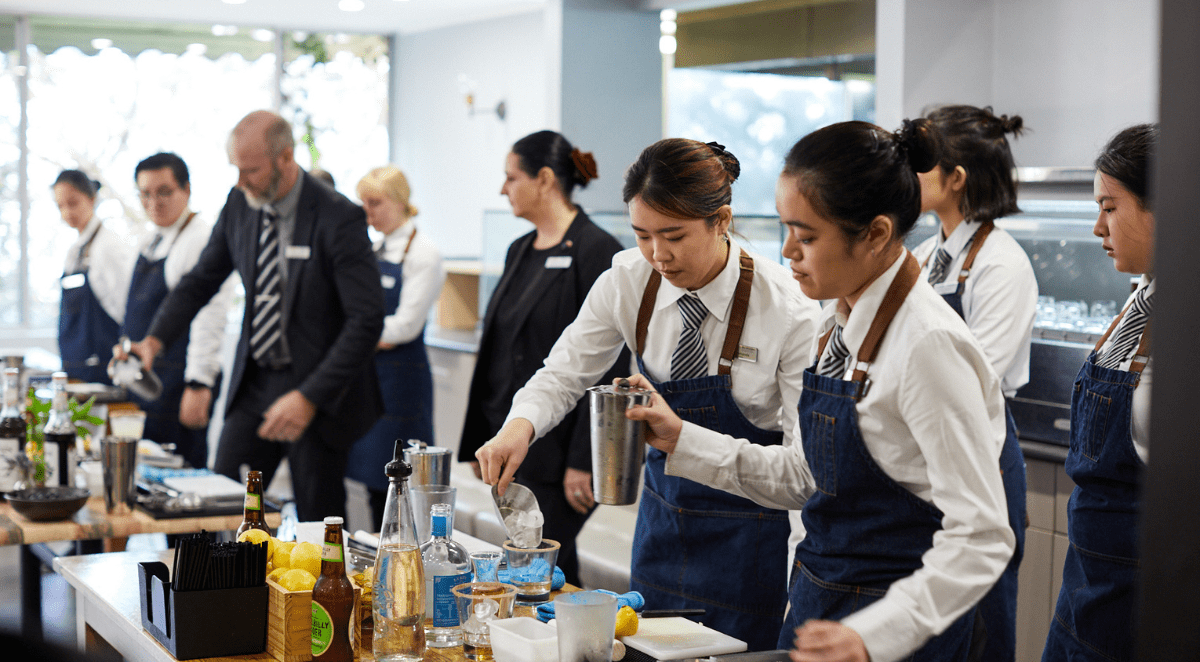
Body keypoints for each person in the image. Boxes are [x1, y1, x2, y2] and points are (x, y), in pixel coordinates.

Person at [624, 121, 1015, 662]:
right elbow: (805, 478)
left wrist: (873, 634)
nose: (788, 252)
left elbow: (982, 537)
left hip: (891, 629)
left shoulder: (928, 345)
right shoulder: (834, 327)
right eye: (786, 230)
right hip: (821, 603)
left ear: (876, 234)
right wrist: (682, 440)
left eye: (806, 237)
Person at [474, 138, 819, 650]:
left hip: (752, 541)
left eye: (674, 235)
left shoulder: (788, 311)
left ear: (721, 220)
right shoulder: (627, 280)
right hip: (664, 527)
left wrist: (800, 590)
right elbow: (564, 372)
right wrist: (518, 427)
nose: (658, 254)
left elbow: (801, 474)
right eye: (642, 235)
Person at [118, 110, 385, 521]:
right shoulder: (240, 203)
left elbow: (366, 320)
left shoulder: (337, 217)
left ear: (286, 157)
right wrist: (154, 340)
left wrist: (308, 396)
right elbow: (202, 279)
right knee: (222, 499)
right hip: (256, 380)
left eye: (252, 170)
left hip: (318, 388)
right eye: (236, 170)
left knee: (318, 519)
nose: (241, 182)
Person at [458, 131, 628, 587]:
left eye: (511, 177)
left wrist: (585, 460)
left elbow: (606, 364)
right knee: (524, 560)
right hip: (514, 440)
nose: (503, 188)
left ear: (545, 179)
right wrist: (485, 436)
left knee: (544, 566)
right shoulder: (519, 249)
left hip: (559, 455)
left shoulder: (597, 251)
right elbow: (498, 347)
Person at [912, 105, 1036, 662]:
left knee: (980, 629)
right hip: (933, 449)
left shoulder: (1000, 265)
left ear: (955, 179)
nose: (906, 174)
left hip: (980, 449)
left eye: (919, 163)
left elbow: (976, 380)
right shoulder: (927, 254)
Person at [1041, 124, 1157, 662]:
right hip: (1088, 582)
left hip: (1138, 602)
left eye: (1110, 207)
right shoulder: (1145, 298)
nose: (1096, 227)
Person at [120, 152, 232, 469]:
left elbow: (209, 317)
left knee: (181, 478)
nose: (154, 202)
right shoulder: (150, 240)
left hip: (179, 383)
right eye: (146, 194)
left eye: (164, 191)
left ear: (186, 189)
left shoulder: (198, 239)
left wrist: (198, 384)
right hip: (148, 380)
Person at [348, 165, 444, 531]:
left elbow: (405, 325)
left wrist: (352, 337)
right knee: (372, 482)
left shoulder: (423, 252)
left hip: (402, 381)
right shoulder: (375, 249)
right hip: (371, 377)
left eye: (375, 203)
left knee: (400, 483)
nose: (368, 212)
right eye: (364, 203)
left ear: (401, 202)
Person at [54, 170, 134, 384]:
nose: (67, 212)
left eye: (73, 203)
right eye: (60, 206)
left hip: (102, 369)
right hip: (75, 368)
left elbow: (128, 309)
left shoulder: (108, 247)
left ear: (91, 199)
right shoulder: (75, 251)